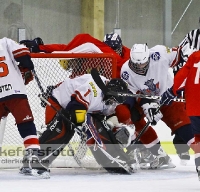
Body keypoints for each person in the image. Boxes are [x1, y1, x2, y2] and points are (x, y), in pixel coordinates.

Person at [20, 33, 181, 167]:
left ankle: (147, 150)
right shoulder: (96, 57)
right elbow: (73, 69)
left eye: (116, 49)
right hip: (109, 95)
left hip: (129, 93)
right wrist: (57, 88)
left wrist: (42, 48)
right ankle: (138, 148)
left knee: (128, 117)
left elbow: (69, 49)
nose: (113, 51)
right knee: (114, 119)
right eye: (111, 48)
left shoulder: (126, 57)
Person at [38, 73, 138, 173]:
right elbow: (75, 107)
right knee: (66, 128)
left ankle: (115, 158)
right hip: (58, 104)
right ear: (110, 92)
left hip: (81, 108)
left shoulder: (108, 93)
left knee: (99, 126)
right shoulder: (93, 89)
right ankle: (35, 160)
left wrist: (113, 127)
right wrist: (82, 126)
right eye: (113, 101)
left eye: (116, 102)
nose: (113, 104)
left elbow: (104, 115)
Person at [119, 43, 196, 168]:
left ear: (148, 57)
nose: (139, 67)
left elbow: (181, 56)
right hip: (146, 100)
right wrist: (147, 106)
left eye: (142, 63)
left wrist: (180, 84)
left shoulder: (160, 54)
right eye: (136, 64)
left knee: (184, 128)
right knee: (133, 116)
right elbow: (133, 95)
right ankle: (159, 155)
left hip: (168, 96)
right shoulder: (126, 71)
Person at [0, 37, 49, 178]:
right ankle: (33, 159)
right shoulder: (5, 42)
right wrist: (27, 67)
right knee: (25, 123)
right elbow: (23, 55)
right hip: (15, 92)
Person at [160, 50, 200, 180]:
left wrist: (172, 92)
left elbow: (183, 75)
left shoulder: (195, 56)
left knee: (198, 138)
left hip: (193, 107)